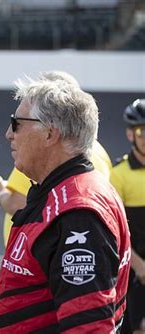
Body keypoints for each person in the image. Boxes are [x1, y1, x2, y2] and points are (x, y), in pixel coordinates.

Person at [0, 74, 130, 332]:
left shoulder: (79, 214)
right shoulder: (60, 191)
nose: (9, 134)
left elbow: (87, 327)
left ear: (50, 133)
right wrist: (11, 304)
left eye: (16, 123)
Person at [110, 99, 145, 334]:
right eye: (142, 131)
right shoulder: (118, 175)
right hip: (135, 271)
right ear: (130, 135)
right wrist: (140, 266)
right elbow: (115, 232)